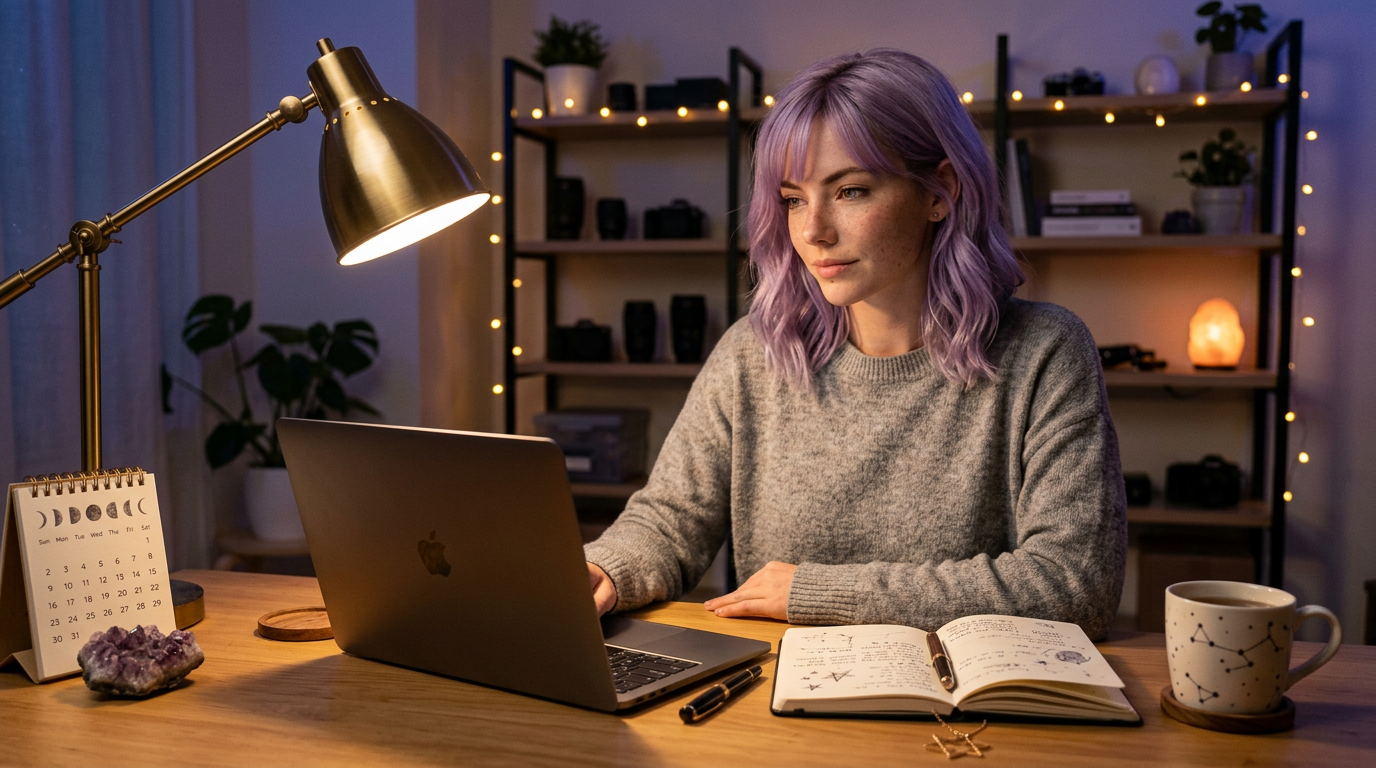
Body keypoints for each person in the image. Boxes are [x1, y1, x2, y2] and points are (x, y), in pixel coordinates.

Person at [584, 49, 1127, 640]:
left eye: (850, 191)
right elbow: (669, 520)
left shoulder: (1046, 352)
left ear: (939, 191)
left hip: (963, 719)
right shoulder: (753, 355)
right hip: (775, 707)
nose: (812, 230)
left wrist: (819, 593)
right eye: (794, 199)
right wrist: (603, 568)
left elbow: (1075, 584)